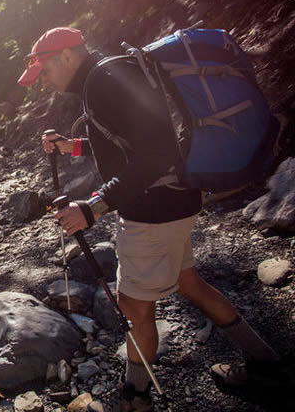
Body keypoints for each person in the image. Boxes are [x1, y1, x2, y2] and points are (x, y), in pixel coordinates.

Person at [18, 27, 287, 410]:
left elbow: (156, 153)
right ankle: (265, 362)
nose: (43, 81)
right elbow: (125, 140)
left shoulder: (104, 81)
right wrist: (70, 145)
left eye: (44, 71)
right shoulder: (107, 74)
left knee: (134, 308)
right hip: (175, 201)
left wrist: (92, 208)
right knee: (188, 282)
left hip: (153, 211)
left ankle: (136, 397)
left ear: (67, 56)